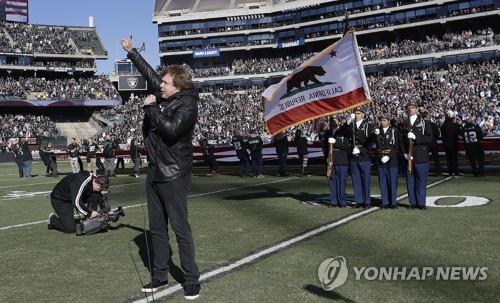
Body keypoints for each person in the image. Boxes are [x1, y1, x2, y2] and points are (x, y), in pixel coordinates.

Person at [122, 38, 201, 299]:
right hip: (156, 171)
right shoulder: (169, 94)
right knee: (157, 229)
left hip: (174, 174)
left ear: (178, 86)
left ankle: (191, 278)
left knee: (180, 228)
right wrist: (132, 53)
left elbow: (170, 131)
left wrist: (152, 108)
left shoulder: (188, 104)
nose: (160, 86)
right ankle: (159, 276)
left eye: (165, 83)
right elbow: (152, 76)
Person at [403, 102, 432, 210]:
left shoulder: (424, 122)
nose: (410, 109)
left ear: (417, 109)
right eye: (408, 107)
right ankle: (413, 203)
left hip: (421, 155)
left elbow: (430, 138)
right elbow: (401, 140)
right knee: (410, 181)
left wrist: (417, 138)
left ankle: (421, 203)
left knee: (421, 180)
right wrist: (404, 153)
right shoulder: (404, 123)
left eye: (412, 107)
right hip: (408, 156)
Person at [374, 114, 402, 209]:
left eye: (385, 120)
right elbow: (371, 145)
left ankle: (393, 202)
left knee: (392, 182)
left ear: (389, 121)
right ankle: (385, 202)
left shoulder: (394, 131)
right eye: (381, 120)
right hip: (380, 159)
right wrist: (375, 135)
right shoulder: (377, 131)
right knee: (383, 182)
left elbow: (397, 146)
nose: (382, 122)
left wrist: (389, 156)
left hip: (391, 160)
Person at [348, 109, 374, 208]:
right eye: (355, 113)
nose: (356, 115)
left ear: (363, 114)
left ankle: (367, 201)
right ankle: (358, 200)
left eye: (358, 113)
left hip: (364, 156)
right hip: (354, 156)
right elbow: (347, 139)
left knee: (365, 180)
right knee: (356, 180)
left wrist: (361, 149)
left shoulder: (368, 126)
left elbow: (370, 142)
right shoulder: (351, 125)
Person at [327, 122, 350, 207]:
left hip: (342, 162)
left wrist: (335, 142)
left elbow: (346, 146)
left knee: (341, 182)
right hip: (332, 161)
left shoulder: (346, 136)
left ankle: (342, 201)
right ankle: (334, 201)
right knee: (332, 182)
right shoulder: (329, 134)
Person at [441, 110, 460, 177]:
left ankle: (450, 172)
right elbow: (458, 133)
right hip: (454, 144)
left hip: (446, 144)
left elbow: (442, 135)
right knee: (454, 158)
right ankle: (456, 171)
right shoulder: (456, 125)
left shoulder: (443, 126)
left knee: (448, 158)